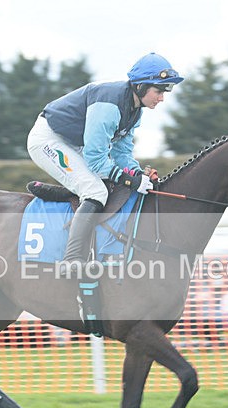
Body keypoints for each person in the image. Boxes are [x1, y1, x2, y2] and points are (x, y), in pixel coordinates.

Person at [27, 52, 184, 275]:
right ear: (140, 87)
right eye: (158, 91)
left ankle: (61, 193)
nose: (162, 98)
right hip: (49, 140)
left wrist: (138, 174)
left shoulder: (135, 111)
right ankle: (71, 260)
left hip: (73, 143)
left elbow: (121, 154)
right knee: (95, 190)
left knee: (106, 184)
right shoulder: (109, 105)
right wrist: (130, 180)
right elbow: (96, 159)